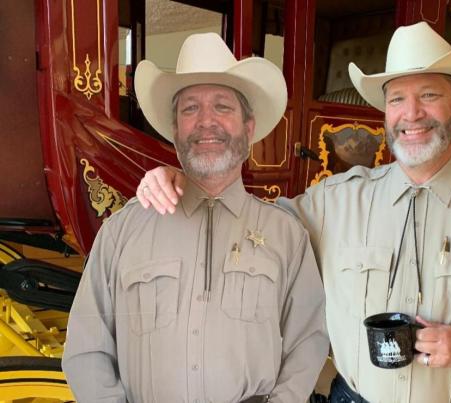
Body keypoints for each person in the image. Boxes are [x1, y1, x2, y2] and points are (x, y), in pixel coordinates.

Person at [136, 23, 451, 403]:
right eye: (397, 98)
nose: (411, 114)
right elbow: (247, 224)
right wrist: (185, 180)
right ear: (385, 111)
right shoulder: (333, 203)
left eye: (429, 95)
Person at [62, 33, 329, 403]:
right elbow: (86, 351)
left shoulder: (286, 235)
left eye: (222, 106)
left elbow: (308, 342)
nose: (206, 121)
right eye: (190, 109)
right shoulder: (122, 232)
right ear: (175, 130)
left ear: (248, 129)